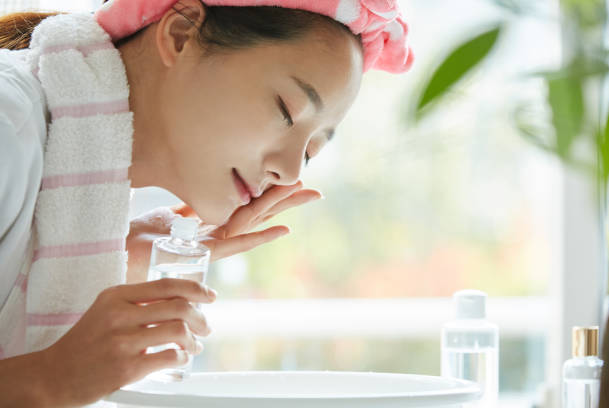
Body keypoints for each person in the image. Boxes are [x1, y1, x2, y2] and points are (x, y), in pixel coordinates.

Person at [0, 0, 413, 406]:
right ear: (180, 35)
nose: (290, 172)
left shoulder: (72, 185)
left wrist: (117, 257)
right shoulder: (8, 124)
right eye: (287, 112)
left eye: (310, 152)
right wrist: (52, 376)